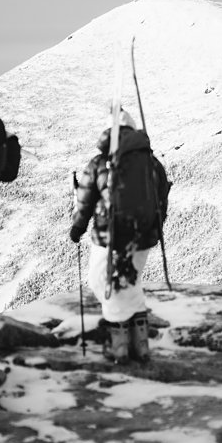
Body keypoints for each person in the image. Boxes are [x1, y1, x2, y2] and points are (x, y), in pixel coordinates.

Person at [70, 103, 170, 363]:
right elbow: (162, 200)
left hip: (109, 236)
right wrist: (153, 230)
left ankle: (120, 348)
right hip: (144, 237)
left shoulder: (100, 162)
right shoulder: (152, 162)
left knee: (102, 282)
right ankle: (141, 346)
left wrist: (77, 228)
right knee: (131, 281)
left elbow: (85, 201)